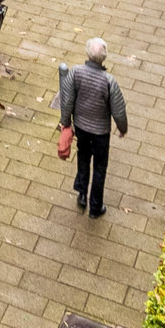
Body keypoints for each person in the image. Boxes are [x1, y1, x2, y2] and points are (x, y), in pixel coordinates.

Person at [57, 38, 129, 218]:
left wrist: (66, 122)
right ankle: (95, 207)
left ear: (87, 53)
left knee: (83, 157)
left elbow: (67, 100)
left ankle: (82, 194)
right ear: (104, 58)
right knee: (100, 167)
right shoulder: (108, 81)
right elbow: (118, 110)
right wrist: (122, 128)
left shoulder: (76, 73)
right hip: (100, 133)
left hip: (81, 127)